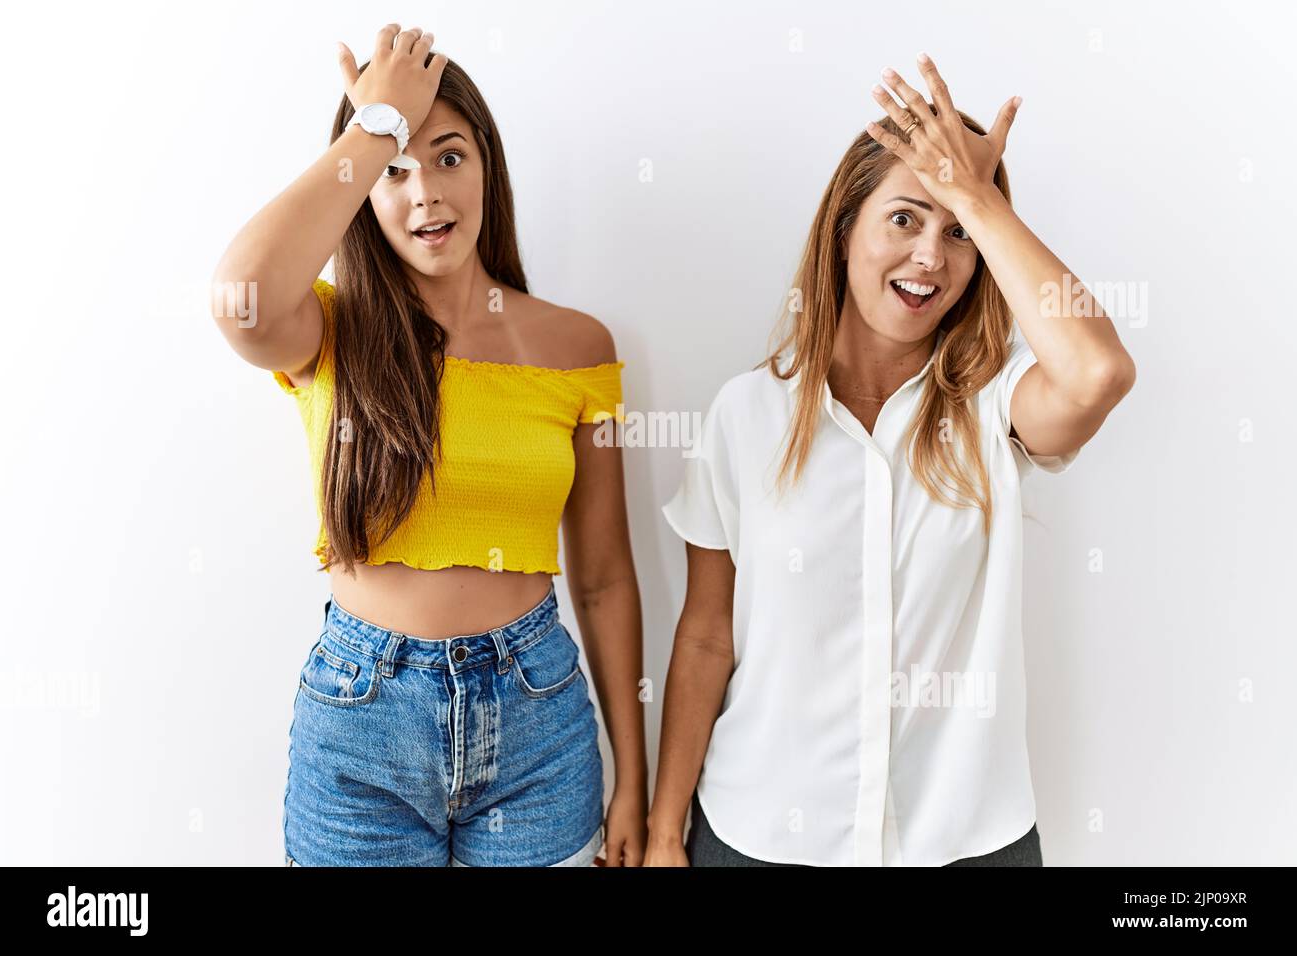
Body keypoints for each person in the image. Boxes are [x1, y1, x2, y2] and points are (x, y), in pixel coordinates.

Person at [645, 54, 1135, 867]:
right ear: (845, 230)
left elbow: (1099, 372)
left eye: (958, 234)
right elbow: (705, 636)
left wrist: (980, 197)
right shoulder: (746, 413)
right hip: (762, 835)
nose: (931, 259)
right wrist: (666, 833)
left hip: (965, 841)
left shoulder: (997, 403)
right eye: (905, 219)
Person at [210, 23, 647, 866]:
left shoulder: (578, 346)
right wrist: (373, 125)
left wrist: (632, 775)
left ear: (488, 165)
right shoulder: (327, 329)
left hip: (538, 716)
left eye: (448, 157)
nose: (425, 196)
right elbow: (241, 299)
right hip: (361, 717)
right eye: (394, 171)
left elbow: (603, 578)